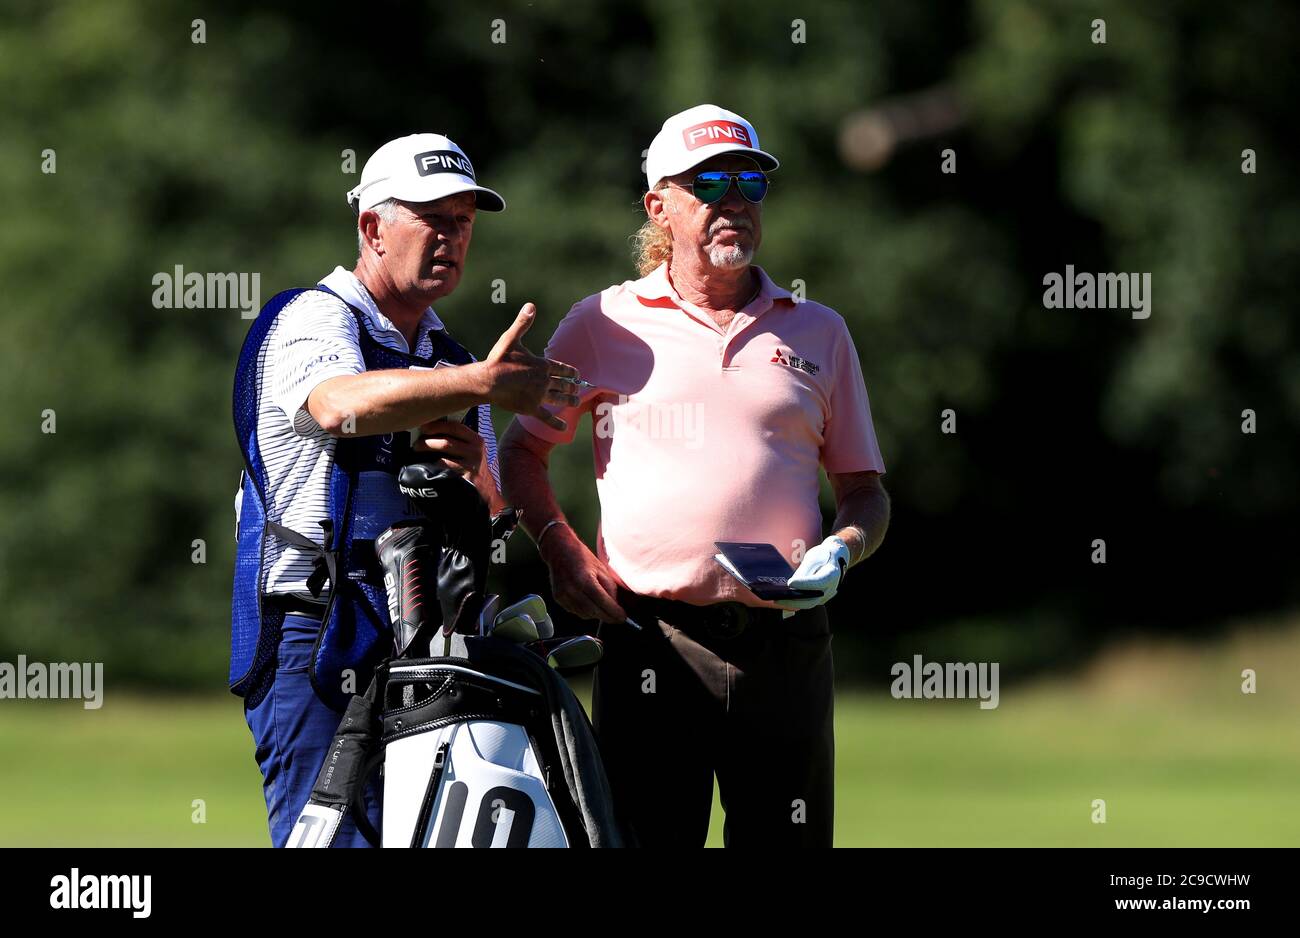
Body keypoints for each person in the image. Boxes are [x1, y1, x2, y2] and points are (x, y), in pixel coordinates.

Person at [499, 105, 891, 847]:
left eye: (751, 181)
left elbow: (865, 490)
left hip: (787, 643)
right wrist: (559, 546)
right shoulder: (600, 324)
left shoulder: (819, 329)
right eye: (709, 181)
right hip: (651, 640)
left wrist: (842, 547)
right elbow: (520, 453)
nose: (734, 197)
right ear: (659, 206)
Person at [230, 132, 580, 847]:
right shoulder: (314, 316)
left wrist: (475, 482)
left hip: (425, 641)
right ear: (372, 229)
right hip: (313, 630)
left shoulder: (449, 356)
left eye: (463, 221)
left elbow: (484, 521)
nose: (451, 236)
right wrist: (478, 383)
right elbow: (337, 405)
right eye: (433, 218)